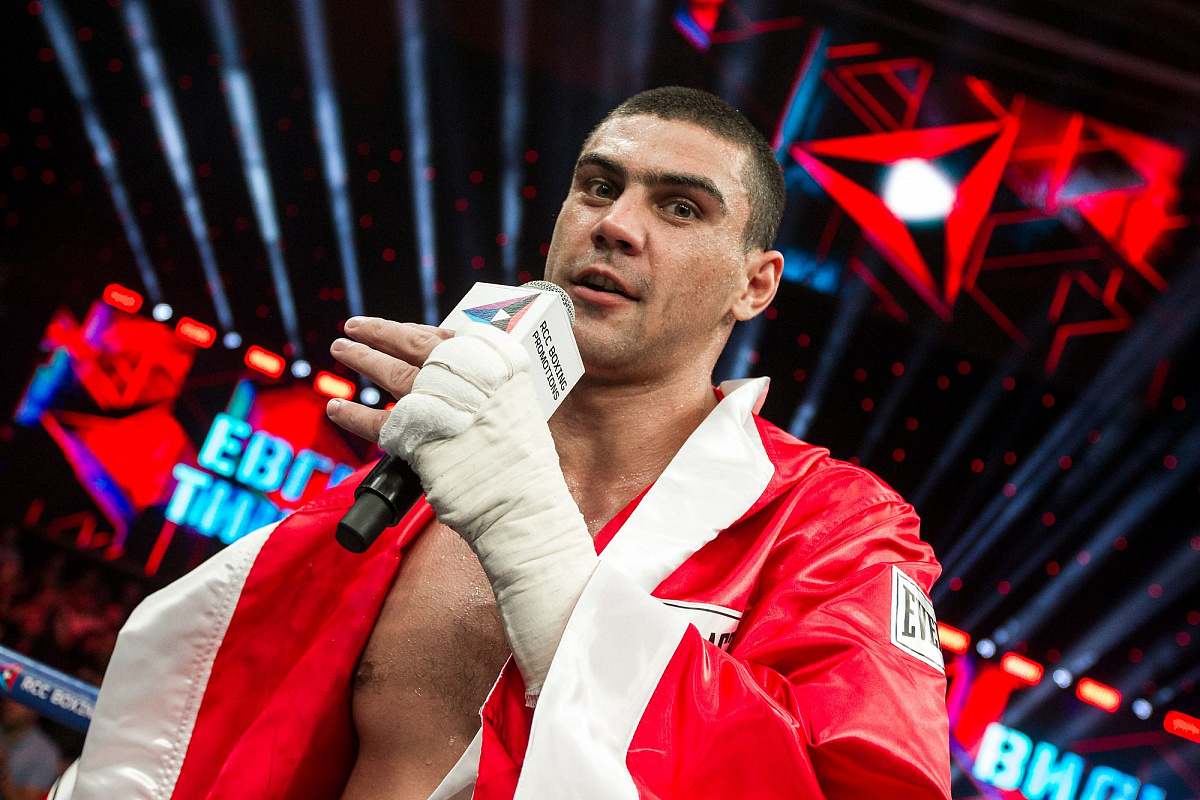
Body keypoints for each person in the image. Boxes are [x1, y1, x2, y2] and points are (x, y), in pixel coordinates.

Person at [53, 87, 950, 799]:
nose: (616, 224)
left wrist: (533, 538)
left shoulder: (833, 529)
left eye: (680, 208)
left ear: (755, 285)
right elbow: (202, 738)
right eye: (598, 186)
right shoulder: (412, 490)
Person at [1, 698, 64, 800]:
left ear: (34, 710)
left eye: (19, 700)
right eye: (10, 698)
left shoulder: (44, 752)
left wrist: (2, 776)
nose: (10, 704)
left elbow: (30, 797)